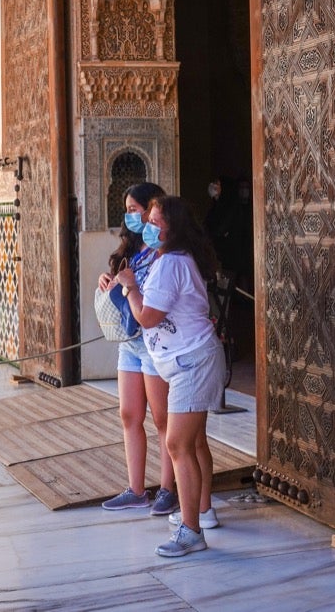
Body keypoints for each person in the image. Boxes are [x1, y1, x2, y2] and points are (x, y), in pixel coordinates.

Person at [116, 195, 225, 557]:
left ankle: (191, 530)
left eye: (154, 219)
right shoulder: (174, 259)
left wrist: (130, 286)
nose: (147, 224)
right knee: (193, 444)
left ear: (171, 228)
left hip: (193, 363)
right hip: (191, 361)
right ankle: (201, 512)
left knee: (178, 444)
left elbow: (147, 317)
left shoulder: (171, 264)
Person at [97, 183, 178, 517]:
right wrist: (108, 280)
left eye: (134, 209)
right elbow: (125, 286)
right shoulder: (131, 248)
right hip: (129, 344)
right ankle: (136, 489)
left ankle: (168, 489)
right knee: (129, 414)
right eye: (127, 210)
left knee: (162, 419)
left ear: (152, 209)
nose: (130, 216)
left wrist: (130, 286)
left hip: (153, 342)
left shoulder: (164, 250)